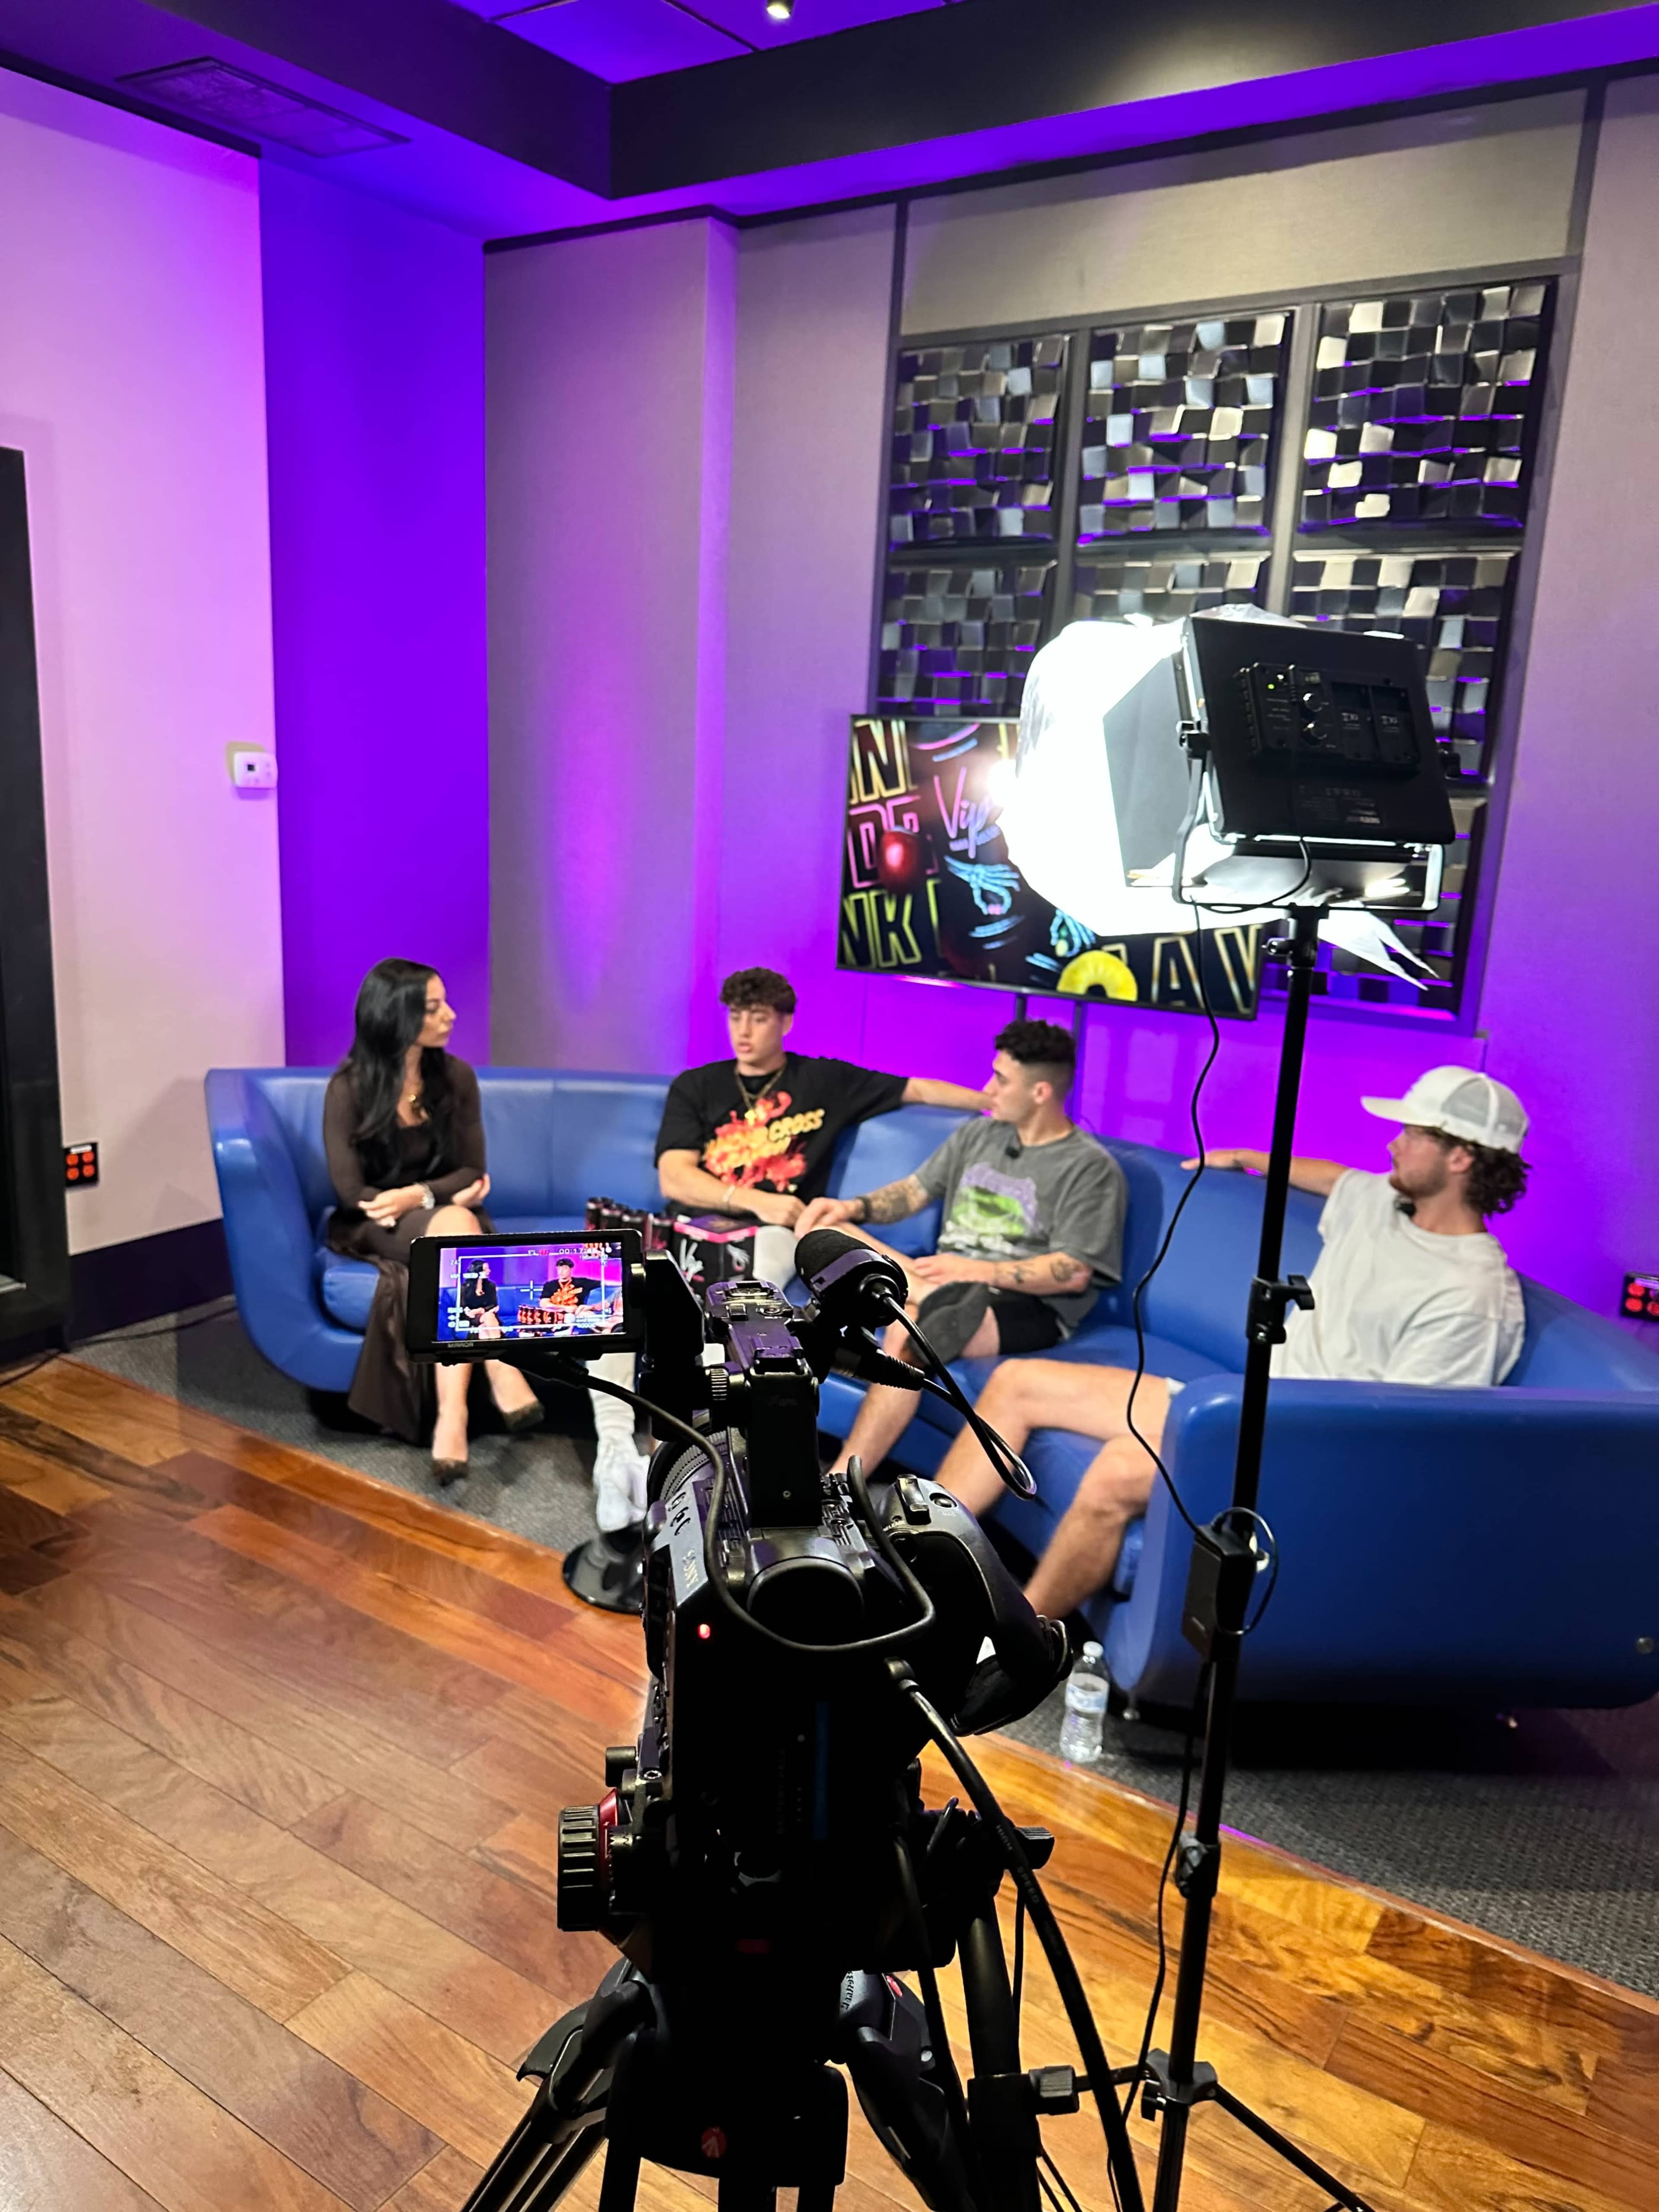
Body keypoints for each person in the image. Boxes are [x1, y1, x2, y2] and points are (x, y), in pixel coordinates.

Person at [935, 1065, 1532, 1621]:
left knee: (1118, 1468)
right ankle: (918, 1561)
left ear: (1460, 1156)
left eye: (1412, 1132)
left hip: (1307, 1453)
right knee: (1016, 1384)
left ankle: (1017, 1647)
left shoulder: (1472, 1296)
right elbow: (1330, 1176)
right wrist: (1246, 1158)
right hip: (1249, 1409)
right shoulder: (1383, 1201)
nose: (1392, 1143)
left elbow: (1404, 1444)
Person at [587, 966, 988, 1534]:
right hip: (695, 1228)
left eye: (757, 1018)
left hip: (774, 1235)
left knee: (747, 1283)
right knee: (628, 1303)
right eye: (734, 1017)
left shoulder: (824, 1082)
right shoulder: (697, 1086)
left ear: (785, 1022)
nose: (743, 1030)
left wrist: (992, 1101)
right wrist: (751, 1198)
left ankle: (678, 1454)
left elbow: (915, 1089)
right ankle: (613, 1456)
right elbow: (676, 1177)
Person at [797, 1018, 1127, 1486]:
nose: (988, 1087)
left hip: (1023, 1303)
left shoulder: (1090, 1167)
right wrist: (852, 1206)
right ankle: (915, 1283)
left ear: (1040, 1093)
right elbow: (914, 1191)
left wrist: (973, 1269)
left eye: (1002, 1079)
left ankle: (840, 1484)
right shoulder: (979, 1136)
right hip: (941, 1275)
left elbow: (1071, 1272)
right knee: (827, 1226)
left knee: (906, 1335)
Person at [323, 959, 543, 1482]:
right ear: (395, 1016)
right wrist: (417, 1202)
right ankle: (499, 1363)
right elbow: (352, 1191)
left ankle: (453, 1414)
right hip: (373, 1221)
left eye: (445, 1002)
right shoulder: (349, 1087)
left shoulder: (457, 1077)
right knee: (458, 1224)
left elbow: (474, 1168)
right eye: (432, 1007)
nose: (451, 1014)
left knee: (455, 1225)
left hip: (438, 1215)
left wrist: (419, 1196)